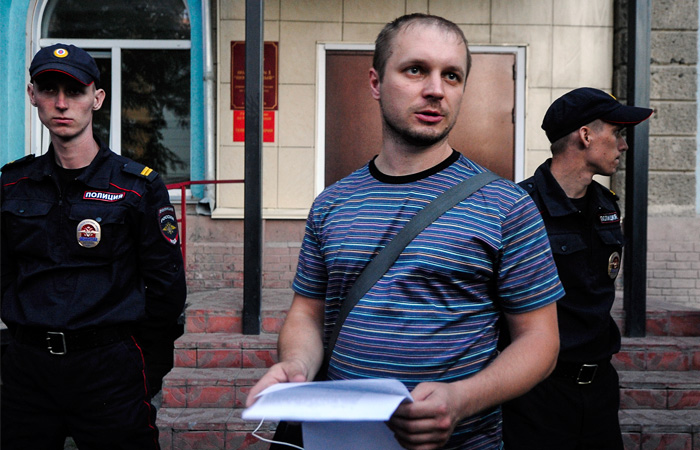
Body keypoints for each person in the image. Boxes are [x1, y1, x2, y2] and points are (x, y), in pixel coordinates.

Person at [247, 14, 564, 450]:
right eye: (416, 69)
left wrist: (461, 400)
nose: (436, 89)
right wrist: (297, 366)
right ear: (376, 82)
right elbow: (308, 314)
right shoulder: (332, 203)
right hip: (340, 439)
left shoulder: (506, 206)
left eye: (451, 75)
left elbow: (541, 340)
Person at [0, 43, 187, 450]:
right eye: (49, 90)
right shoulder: (12, 184)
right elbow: (4, 275)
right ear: (32, 95)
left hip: (109, 370)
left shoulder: (136, 186)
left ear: (97, 99)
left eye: (75, 91)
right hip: (27, 373)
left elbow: (166, 290)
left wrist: (144, 366)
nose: (61, 103)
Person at [501, 87, 653, 449]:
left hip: (600, 389)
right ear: (585, 135)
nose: (623, 145)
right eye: (617, 133)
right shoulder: (519, 208)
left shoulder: (606, 205)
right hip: (538, 394)